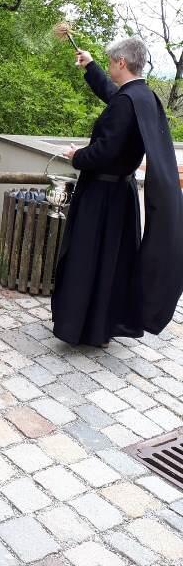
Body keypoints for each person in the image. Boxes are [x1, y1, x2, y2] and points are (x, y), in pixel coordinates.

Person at [52, 37, 183, 347]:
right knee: (110, 264)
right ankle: (100, 328)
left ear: (122, 62)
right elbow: (115, 96)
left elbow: (105, 151)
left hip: (102, 197)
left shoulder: (128, 102)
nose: (110, 67)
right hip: (121, 196)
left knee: (88, 260)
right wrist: (91, 66)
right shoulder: (143, 96)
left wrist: (76, 155)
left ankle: (81, 329)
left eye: (111, 62)